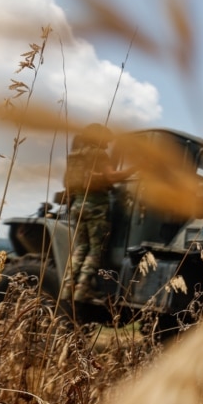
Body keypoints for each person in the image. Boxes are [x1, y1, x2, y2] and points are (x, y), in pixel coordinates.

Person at [61, 123, 136, 303]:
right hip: (96, 206)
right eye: (106, 141)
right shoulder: (98, 154)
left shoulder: (75, 156)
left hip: (77, 205)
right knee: (95, 252)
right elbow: (112, 177)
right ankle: (81, 292)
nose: (107, 145)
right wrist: (135, 169)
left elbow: (67, 182)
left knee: (79, 249)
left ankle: (66, 290)